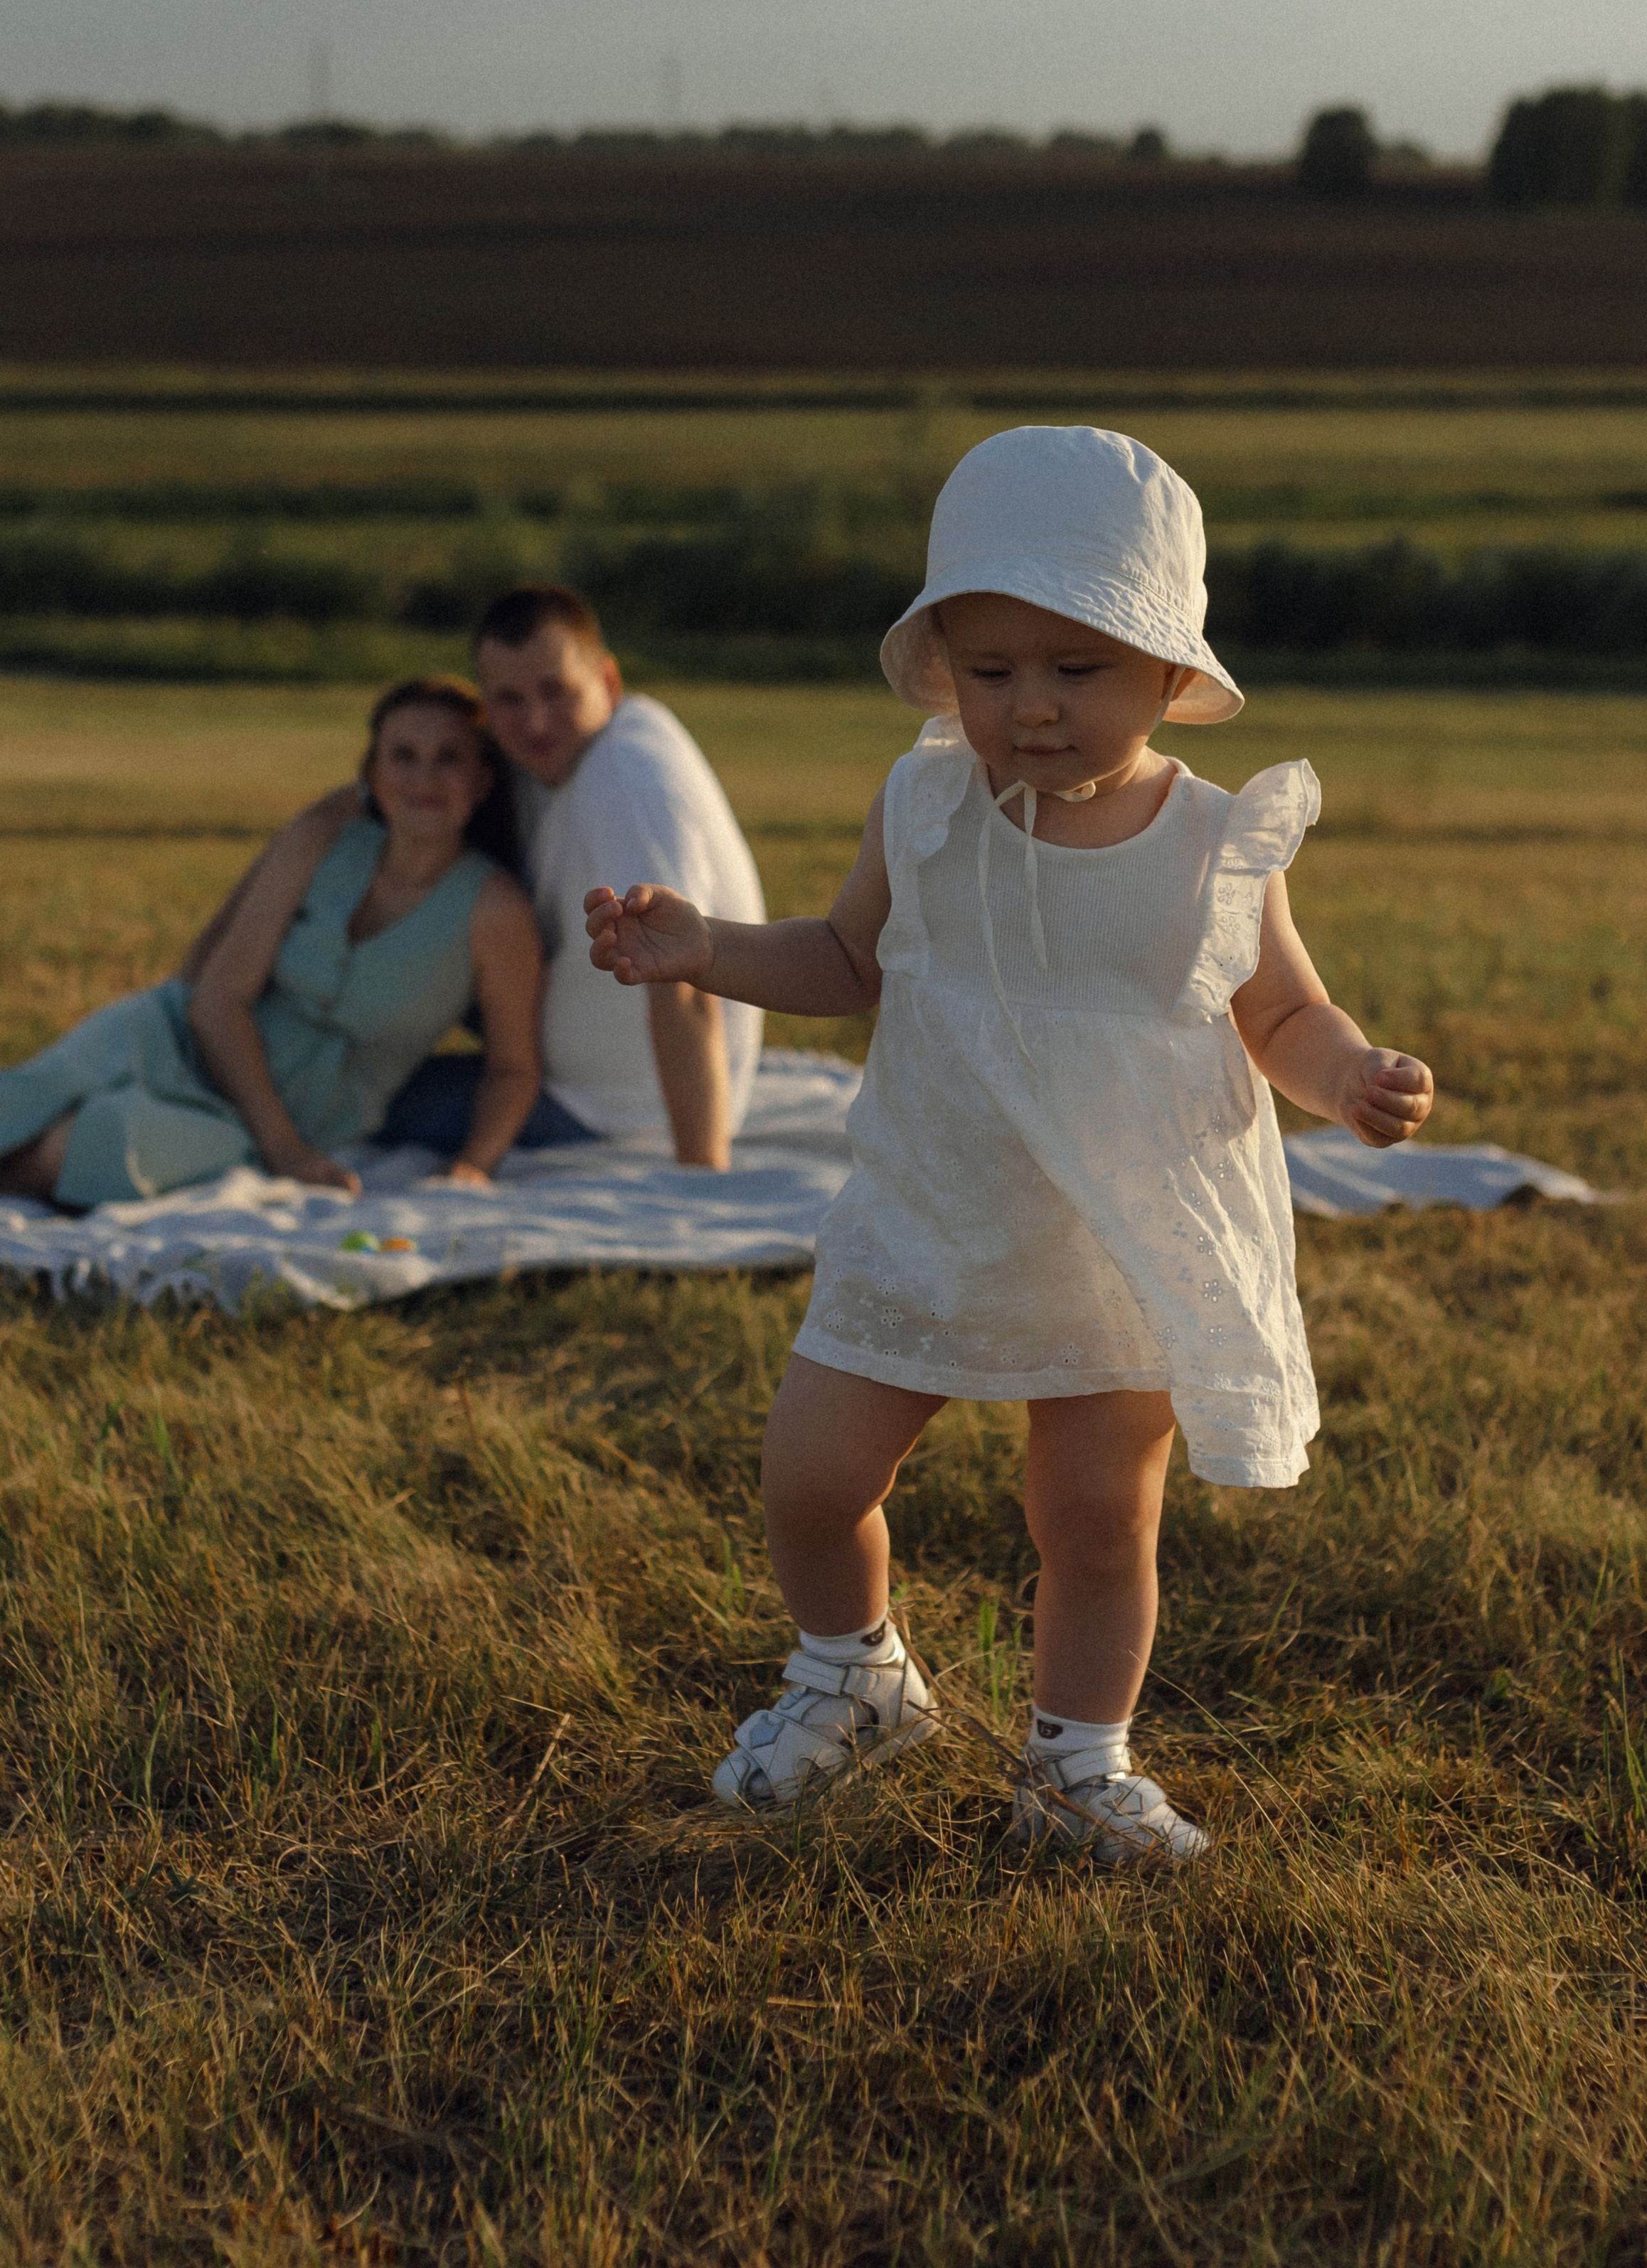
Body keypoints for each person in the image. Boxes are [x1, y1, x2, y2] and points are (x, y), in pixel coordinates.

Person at [585, 425, 1436, 1863]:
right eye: (990, 673)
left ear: (1170, 673)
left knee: (1095, 1515)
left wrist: (1345, 1073)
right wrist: (704, 948)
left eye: (1075, 669)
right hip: (933, 1202)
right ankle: (850, 1672)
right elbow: (848, 960)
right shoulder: (925, 806)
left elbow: (1279, 1008)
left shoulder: (1210, 841)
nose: (1029, 708)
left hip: (1121, 1230)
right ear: (943, 671)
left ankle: (1074, 1764)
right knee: (810, 1470)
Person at [189, 585, 766, 1171]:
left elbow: (685, 983)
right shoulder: (552, 756)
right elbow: (362, 803)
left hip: (608, 1110)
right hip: (570, 1070)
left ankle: (206, 1061)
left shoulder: (629, 778)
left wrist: (701, 1172)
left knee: (321, 1097)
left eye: (556, 691)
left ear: (608, 682)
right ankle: (199, 1007)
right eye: (509, 699)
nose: (535, 720)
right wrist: (204, 967)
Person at [0, 678, 543, 1207]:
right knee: (26, 1098)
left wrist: (475, 1163)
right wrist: (286, 1152)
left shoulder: (495, 912)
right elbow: (218, 997)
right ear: (371, 772)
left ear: (482, 779)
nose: (424, 779)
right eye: (404, 756)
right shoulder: (323, 840)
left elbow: (514, 1066)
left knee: (72, 1148)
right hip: (178, 1034)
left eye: (449, 758)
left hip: (268, 1121)